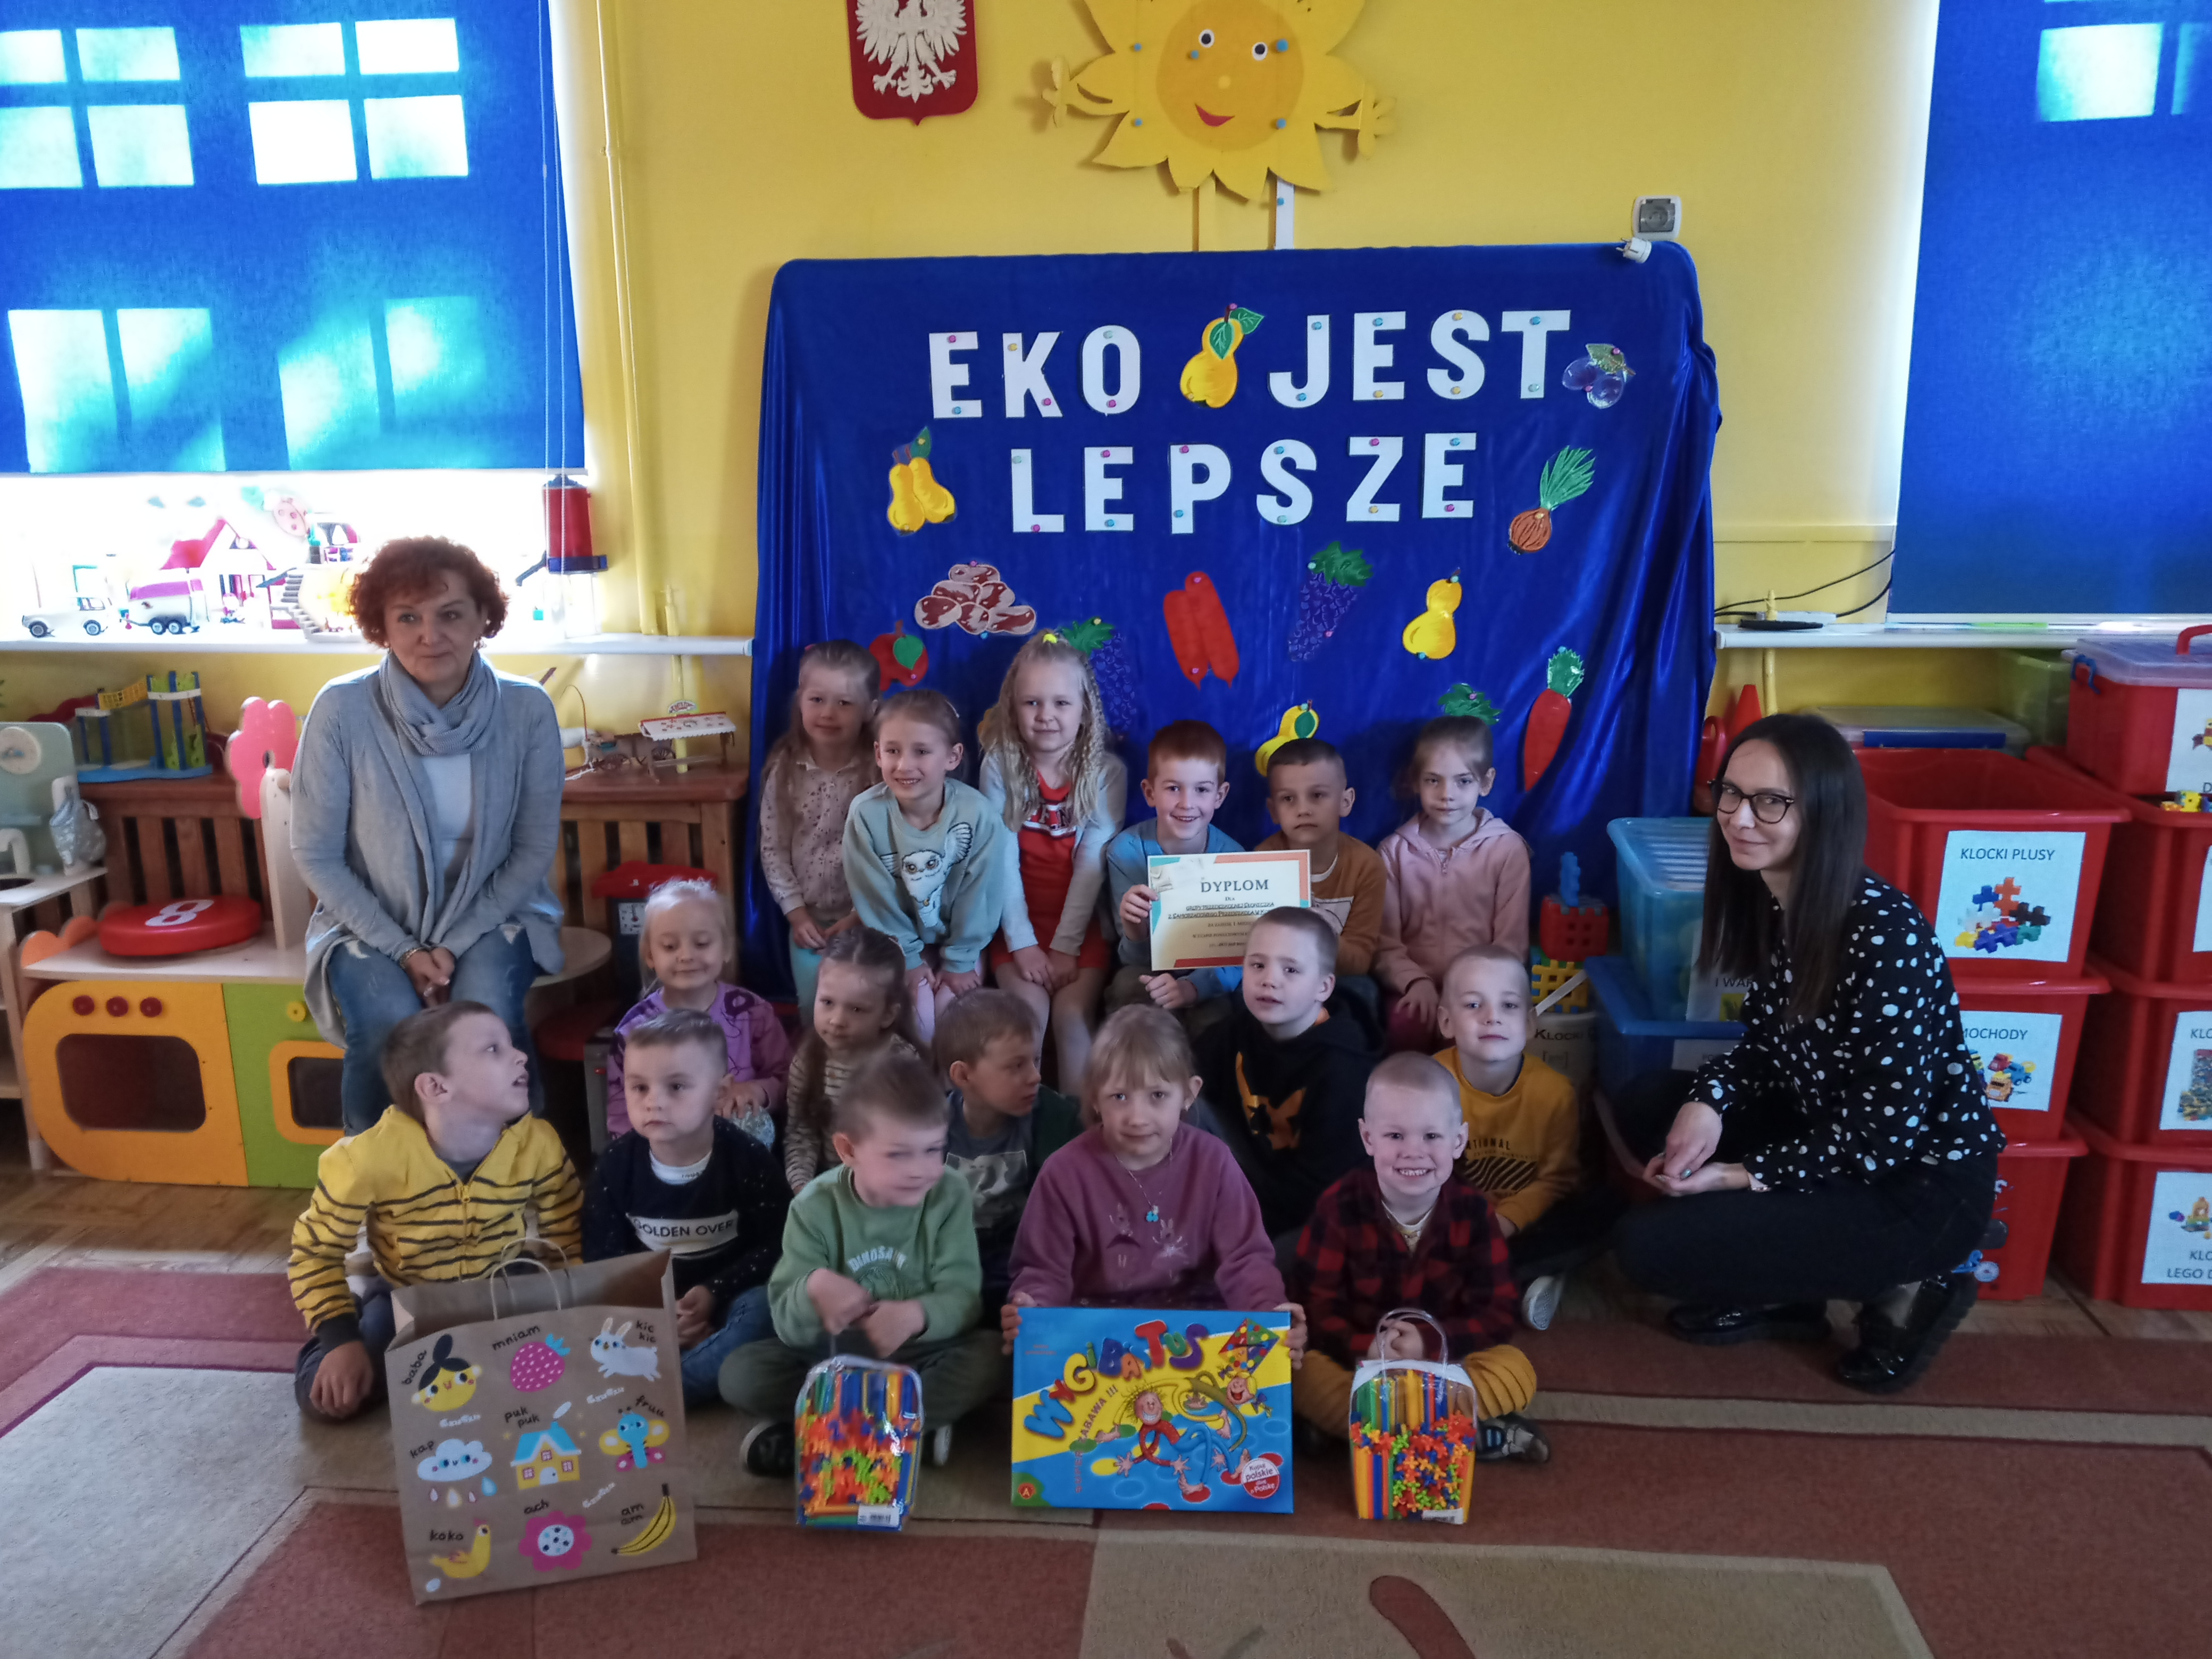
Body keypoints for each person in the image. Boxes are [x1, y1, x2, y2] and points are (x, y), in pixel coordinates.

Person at [1612, 713, 2004, 1394]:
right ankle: (1788, 1293)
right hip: (1826, 1133)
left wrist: (1738, 1175)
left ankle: (1915, 1282)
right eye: (1730, 793)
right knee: (1652, 1103)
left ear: (1822, 813)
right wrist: (1706, 1103)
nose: (1738, 818)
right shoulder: (1775, 898)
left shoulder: (1883, 934)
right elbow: (1765, 1050)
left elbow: (1881, 1137)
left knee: (1647, 1250)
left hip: (1912, 1188)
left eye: (1770, 802)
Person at [292, 537, 566, 1133]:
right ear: (382, 626)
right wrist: (405, 950)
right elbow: (316, 854)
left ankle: (519, 1168)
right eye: (408, 618)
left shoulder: (527, 710)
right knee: (387, 1023)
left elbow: (531, 851)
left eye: (450, 614)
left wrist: (450, 944)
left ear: (483, 618)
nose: (430, 635)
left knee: (487, 1015)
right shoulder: (340, 710)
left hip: (495, 916)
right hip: (369, 923)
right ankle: (373, 1176)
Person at [289, 1002, 582, 1420]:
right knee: (338, 1400)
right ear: (436, 1088)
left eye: (512, 1045)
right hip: (408, 1298)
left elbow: (566, 1232)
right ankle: (347, 1325)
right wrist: (340, 1342)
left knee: (558, 1369)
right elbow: (314, 1253)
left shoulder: (539, 1143)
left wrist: (574, 1309)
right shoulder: (364, 1160)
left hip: (504, 1285)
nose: (520, 1055)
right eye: (493, 1049)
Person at [722, 1048, 1002, 1475]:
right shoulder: (813, 1207)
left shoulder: (949, 1193)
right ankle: (906, 1433)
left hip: (920, 1353)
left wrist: (917, 1314)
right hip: (834, 1359)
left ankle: (827, 1436)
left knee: (992, 1357)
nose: (921, 1170)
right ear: (848, 1150)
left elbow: (964, 1298)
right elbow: (787, 1325)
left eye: (933, 1150)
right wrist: (813, 1288)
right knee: (741, 1374)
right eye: (899, 1154)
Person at [1003, 1006, 1307, 1365]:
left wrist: (1270, 1313)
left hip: (1196, 1330)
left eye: (1158, 1096)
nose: (1137, 1118)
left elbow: (1245, 1260)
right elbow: (1044, 1270)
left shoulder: (1214, 1161)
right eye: (1120, 1097)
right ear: (1095, 1097)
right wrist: (1033, 1307)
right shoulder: (1063, 1173)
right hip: (1097, 1334)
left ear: (1189, 1094)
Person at [1289, 1053, 1548, 1463]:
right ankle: (1461, 1433)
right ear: (1368, 1138)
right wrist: (1370, 1346)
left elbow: (1498, 1312)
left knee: (1515, 1371)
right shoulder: (1338, 1207)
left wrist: (1428, 1342)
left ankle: (1368, 1432)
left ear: (1458, 1141)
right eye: (1395, 1136)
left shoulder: (1474, 1213)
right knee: (1299, 1372)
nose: (1414, 1152)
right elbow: (1314, 1307)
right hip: (1361, 1364)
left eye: (1431, 1137)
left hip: (1443, 1366)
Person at [583, 1008, 790, 1407]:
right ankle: (666, 1370)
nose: (653, 1102)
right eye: (639, 1087)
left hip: (730, 1298)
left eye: (676, 1087)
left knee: (767, 1310)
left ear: (718, 1092)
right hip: (646, 1306)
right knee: (589, 1322)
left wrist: (715, 1292)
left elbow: (778, 1245)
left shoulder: (747, 1158)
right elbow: (603, 1261)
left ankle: (657, 1389)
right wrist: (654, 1320)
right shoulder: (615, 1166)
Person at [1434, 946, 1621, 1330]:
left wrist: (1505, 1222)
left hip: (1532, 1218)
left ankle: (1499, 1276)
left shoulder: (1555, 1092)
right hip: (1459, 1217)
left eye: (1509, 1006)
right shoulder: (1433, 1084)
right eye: (1474, 1005)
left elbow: (1558, 1180)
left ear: (1530, 1023)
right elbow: (1424, 1169)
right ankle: (1515, 1277)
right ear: (1447, 1021)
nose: (1492, 1017)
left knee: (1609, 1209)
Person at [979, 634, 1127, 1092]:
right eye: (1032, 702)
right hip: (1015, 926)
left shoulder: (1106, 774)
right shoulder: (1000, 766)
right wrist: (1023, 943)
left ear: (1085, 711)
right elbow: (1000, 859)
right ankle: (1020, 1126)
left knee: (1072, 1016)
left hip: (1080, 929)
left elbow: (1092, 863)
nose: (1046, 715)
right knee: (1028, 1017)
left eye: (1061, 703)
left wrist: (1066, 945)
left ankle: (1078, 1128)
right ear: (1013, 708)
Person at [1192, 907, 1377, 1256]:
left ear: (1324, 987)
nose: (1270, 980)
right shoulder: (1234, 1031)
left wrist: (1244, 1224)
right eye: (1257, 965)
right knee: (1178, 1098)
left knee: (1288, 1257)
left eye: (1290, 969)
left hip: (1306, 1207)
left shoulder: (1344, 1068)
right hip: (1248, 1174)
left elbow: (1324, 1187)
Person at [843, 689, 1015, 1044]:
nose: (904, 765)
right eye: (893, 751)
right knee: (919, 1019)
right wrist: (908, 956)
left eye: (921, 752)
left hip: (960, 940)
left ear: (953, 757)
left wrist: (960, 960)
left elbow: (981, 894)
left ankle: (948, 1079)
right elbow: (875, 897)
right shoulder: (866, 815)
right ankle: (918, 1077)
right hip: (899, 939)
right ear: (878, 753)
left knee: (952, 1012)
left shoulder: (978, 815)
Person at [1373, 716, 1532, 1051]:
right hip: (1413, 987)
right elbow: (1385, 944)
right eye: (1433, 780)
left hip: (1482, 991)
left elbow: (1510, 945)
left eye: (1463, 781)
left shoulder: (1508, 850)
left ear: (1486, 782)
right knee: (1405, 1025)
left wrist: (1470, 992)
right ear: (1416, 781)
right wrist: (1414, 982)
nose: (1447, 795)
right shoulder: (1393, 852)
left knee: (1475, 1036)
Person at [604, 879, 790, 1144]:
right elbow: (621, 1111)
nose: (686, 956)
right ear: (650, 955)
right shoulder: (634, 1029)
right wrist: (634, 1159)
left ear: (726, 948)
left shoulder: (754, 1013)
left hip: (740, 1151)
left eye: (701, 944)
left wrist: (757, 1090)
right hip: (663, 1151)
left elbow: (789, 1079)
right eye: (670, 946)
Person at [758, 640, 880, 1031]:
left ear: (870, 710)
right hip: (809, 921)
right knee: (815, 1008)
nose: (828, 713)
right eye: (817, 700)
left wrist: (862, 914)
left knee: (864, 1007)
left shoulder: (879, 771)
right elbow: (773, 848)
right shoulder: (785, 769)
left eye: (844, 703)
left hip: (869, 918)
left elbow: (894, 852)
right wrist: (796, 914)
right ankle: (816, 1069)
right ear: (800, 701)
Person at [936, 988, 1084, 1310]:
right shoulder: (929, 1130)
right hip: (953, 1267)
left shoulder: (1055, 1120)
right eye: (1016, 1066)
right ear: (963, 1075)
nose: (1035, 1076)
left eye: (1035, 1060)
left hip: (1024, 1267)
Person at [1104, 718, 1244, 1031]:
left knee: (1217, 1020)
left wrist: (1193, 988)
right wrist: (1134, 926)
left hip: (1208, 978)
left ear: (1220, 795)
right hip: (1147, 971)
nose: (1187, 804)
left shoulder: (1234, 857)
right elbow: (1131, 959)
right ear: (1150, 792)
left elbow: (1239, 957)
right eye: (1173, 788)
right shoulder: (1126, 852)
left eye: (1202, 789)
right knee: (1129, 988)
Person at [783, 925, 925, 1192]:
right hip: (828, 1188)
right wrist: (803, 1187)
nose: (837, 1020)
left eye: (857, 1009)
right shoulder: (808, 1062)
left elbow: (914, 1140)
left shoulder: (903, 1063)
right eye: (827, 1002)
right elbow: (801, 1133)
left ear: (887, 1015)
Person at [1254, 738, 1387, 1009]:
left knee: (1364, 991)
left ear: (1345, 801)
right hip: (1276, 978)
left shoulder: (1367, 866)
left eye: (1317, 795)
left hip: (1336, 979)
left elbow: (1360, 962)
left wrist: (1316, 932)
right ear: (1274, 811)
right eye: (1288, 799)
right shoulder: (1262, 861)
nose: (1303, 810)